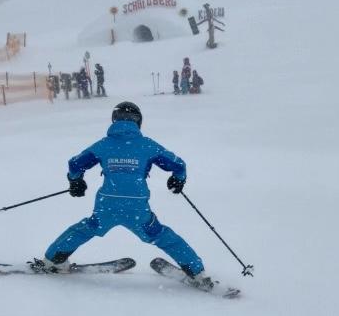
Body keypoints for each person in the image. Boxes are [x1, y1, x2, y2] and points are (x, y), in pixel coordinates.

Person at [38, 102, 212, 288]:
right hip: (137, 206)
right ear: (139, 122)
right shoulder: (147, 145)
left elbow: (75, 164)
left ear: (114, 120)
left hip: (107, 203)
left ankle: (53, 260)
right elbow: (178, 165)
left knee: (86, 228)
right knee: (161, 235)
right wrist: (178, 179)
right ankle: (196, 272)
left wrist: (76, 181)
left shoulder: (104, 145)